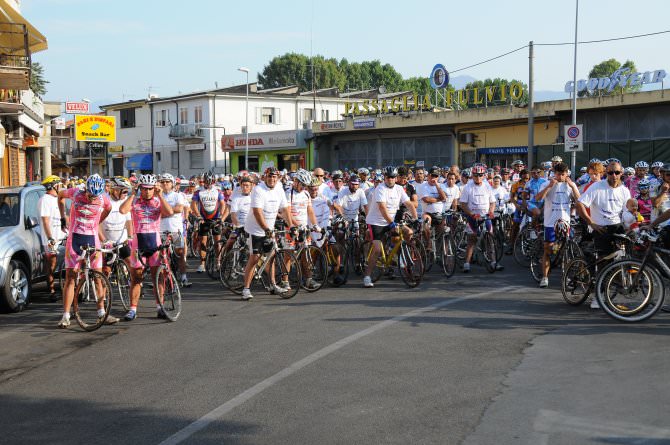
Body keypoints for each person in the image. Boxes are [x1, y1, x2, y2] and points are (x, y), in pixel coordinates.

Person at [56, 174, 114, 328]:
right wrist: (63, 218)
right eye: (89, 195)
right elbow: (60, 196)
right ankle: (66, 316)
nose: (91, 198)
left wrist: (97, 221)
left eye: (94, 196)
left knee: (98, 277)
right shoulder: (75, 192)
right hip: (75, 239)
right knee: (71, 278)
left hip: (93, 240)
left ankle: (102, 313)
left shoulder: (103, 199)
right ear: (85, 189)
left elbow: (109, 208)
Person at [576, 161, 631, 309]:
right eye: (610, 172)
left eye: (617, 172)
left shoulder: (625, 190)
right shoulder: (597, 187)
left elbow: (628, 210)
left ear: (621, 174)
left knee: (624, 258)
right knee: (603, 262)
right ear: (606, 173)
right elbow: (579, 204)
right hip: (601, 229)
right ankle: (597, 296)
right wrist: (591, 222)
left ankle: (616, 285)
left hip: (618, 227)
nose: (614, 175)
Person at [119, 174, 174, 320]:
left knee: (158, 278)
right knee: (136, 277)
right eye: (144, 189)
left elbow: (170, 212)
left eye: (150, 189)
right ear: (140, 189)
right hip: (138, 245)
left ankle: (159, 307)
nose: (148, 192)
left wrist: (160, 195)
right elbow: (123, 211)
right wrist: (132, 193)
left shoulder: (157, 202)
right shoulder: (135, 202)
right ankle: (132, 309)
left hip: (154, 244)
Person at [241, 167, 294, 300]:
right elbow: (257, 212)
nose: (272, 179)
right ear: (265, 177)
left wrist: (291, 225)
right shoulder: (258, 190)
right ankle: (246, 289)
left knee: (271, 257)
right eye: (270, 176)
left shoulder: (279, 189)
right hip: (256, 229)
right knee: (255, 258)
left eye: (275, 177)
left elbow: (285, 208)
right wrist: (266, 229)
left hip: (269, 228)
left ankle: (273, 285)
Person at [363, 166, 418, 288]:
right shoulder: (380, 189)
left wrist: (416, 218)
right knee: (377, 249)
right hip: (376, 222)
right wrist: (391, 223)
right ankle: (367, 276)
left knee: (408, 232)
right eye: (388, 177)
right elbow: (382, 208)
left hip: (391, 221)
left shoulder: (399, 189)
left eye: (393, 177)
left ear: (396, 178)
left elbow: (409, 203)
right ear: (385, 177)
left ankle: (395, 253)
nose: (391, 179)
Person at [534, 162, 580, 288]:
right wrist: (549, 186)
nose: (560, 177)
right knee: (547, 249)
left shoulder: (570, 185)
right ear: (554, 173)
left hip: (565, 222)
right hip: (550, 222)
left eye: (563, 175)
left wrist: (573, 186)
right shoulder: (547, 183)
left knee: (567, 251)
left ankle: (567, 278)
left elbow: (579, 200)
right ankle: (544, 277)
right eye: (558, 174)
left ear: (567, 174)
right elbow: (538, 198)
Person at [459, 165, 503, 272]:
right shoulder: (468, 187)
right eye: (476, 175)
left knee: (490, 238)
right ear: (472, 175)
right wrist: (471, 214)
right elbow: (463, 204)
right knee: (472, 239)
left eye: (480, 175)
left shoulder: (487, 186)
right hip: (473, 216)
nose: (478, 177)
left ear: (483, 176)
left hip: (485, 216)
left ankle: (493, 262)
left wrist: (491, 212)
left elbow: (492, 202)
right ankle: (467, 263)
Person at [190, 171, 227, 273]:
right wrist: (198, 215)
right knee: (203, 242)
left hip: (215, 219)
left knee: (217, 242)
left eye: (211, 182)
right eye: (207, 182)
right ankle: (202, 264)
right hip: (203, 219)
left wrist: (221, 215)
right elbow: (193, 204)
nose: (209, 184)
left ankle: (218, 262)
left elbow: (223, 204)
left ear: (214, 181)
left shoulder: (218, 191)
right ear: (204, 181)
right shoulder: (198, 192)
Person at [99, 177, 133, 283]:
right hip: (108, 242)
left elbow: (128, 221)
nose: (126, 194)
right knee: (105, 271)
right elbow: (97, 223)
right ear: (115, 190)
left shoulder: (124, 201)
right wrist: (104, 241)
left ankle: (137, 285)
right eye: (124, 191)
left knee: (133, 266)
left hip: (122, 241)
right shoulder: (103, 200)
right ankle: (104, 296)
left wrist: (130, 237)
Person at [159, 173, 190, 287]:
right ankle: (163, 278)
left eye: (167, 182)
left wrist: (165, 212)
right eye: (163, 182)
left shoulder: (178, 195)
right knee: (161, 256)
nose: (165, 184)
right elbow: (157, 212)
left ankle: (183, 277)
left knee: (180, 254)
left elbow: (179, 209)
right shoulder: (157, 196)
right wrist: (170, 212)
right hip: (161, 230)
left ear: (172, 184)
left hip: (175, 230)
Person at [38, 175, 64, 300]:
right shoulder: (45, 199)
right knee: (52, 263)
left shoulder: (58, 198)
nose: (61, 186)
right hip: (51, 238)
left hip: (61, 235)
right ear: (53, 186)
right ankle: (52, 290)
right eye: (59, 184)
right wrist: (50, 238)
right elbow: (45, 221)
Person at [417, 166, 447, 252]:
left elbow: (444, 197)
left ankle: (442, 251)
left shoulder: (441, 185)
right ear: (428, 176)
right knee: (426, 225)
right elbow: (426, 199)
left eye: (436, 176)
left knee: (443, 232)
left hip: (439, 214)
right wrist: (438, 199)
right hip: (428, 213)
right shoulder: (423, 186)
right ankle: (428, 244)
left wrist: (437, 186)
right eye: (432, 176)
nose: (434, 178)